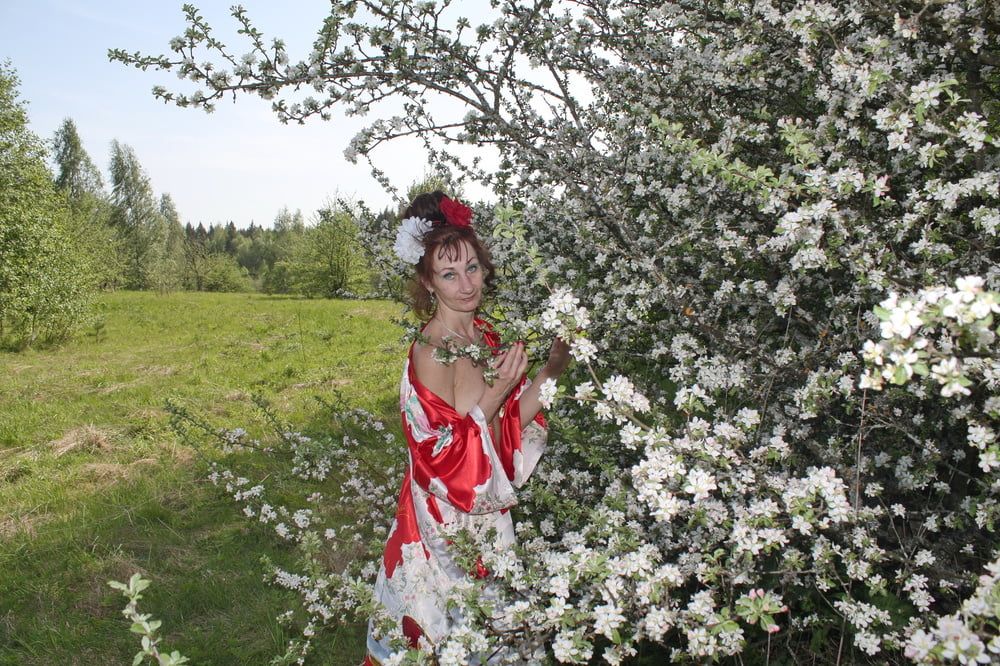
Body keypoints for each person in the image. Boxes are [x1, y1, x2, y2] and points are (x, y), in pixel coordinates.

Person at [364, 191, 570, 664]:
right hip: (442, 525)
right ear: (427, 281)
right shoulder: (432, 351)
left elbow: (506, 429)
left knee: (495, 635)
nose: (465, 284)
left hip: (487, 511)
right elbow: (437, 459)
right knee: (446, 639)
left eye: (472, 268)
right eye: (449, 274)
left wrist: (555, 366)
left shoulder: (484, 336)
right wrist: (497, 389)